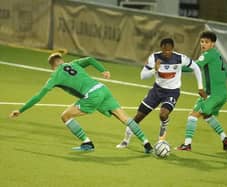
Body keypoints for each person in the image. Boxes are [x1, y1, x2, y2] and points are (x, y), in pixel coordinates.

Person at [9, 52, 153, 153]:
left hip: (91, 95)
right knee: (124, 118)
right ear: (62, 60)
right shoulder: (74, 64)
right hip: (102, 88)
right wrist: (104, 70)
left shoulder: (54, 76)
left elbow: (38, 96)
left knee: (65, 116)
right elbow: (90, 59)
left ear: (52, 66)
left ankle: (87, 142)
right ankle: (146, 144)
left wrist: (21, 110)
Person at [116, 38, 204, 148]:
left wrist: (200, 87)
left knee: (163, 114)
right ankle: (126, 140)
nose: (167, 52)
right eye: (164, 50)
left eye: (169, 50)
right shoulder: (154, 58)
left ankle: (162, 135)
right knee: (138, 117)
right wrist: (155, 70)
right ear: (161, 48)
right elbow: (142, 76)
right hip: (156, 91)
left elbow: (196, 67)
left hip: (172, 92)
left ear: (172, 49)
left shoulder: (180, 58)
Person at [176, 31, 227, 151]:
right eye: (202, 41)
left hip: (213, 94)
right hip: (221, 93)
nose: (203, 44)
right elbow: (226, 74)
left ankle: (187, 144)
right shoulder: (217, 55)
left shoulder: (207, 55)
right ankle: (225, 138)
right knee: (207, 115)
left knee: (193, 116)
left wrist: (176, 67)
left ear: (213, 44)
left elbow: (195, 67)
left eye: (206, 42)